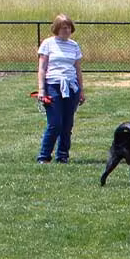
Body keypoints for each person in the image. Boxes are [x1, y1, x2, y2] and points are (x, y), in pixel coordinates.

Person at [36, 14, 85, 164]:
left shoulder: (74, 45)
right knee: (55, 123)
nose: (67, 30)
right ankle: (44, 156)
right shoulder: (48, 43)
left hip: (71, 87)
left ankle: (62, 155)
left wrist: (81, 91)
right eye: (63, 27)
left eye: (69, 27)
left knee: (67, 124)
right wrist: (41, 89)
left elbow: (77, 70)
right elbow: (42, 68)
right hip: (53, 86)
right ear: (56, 28)